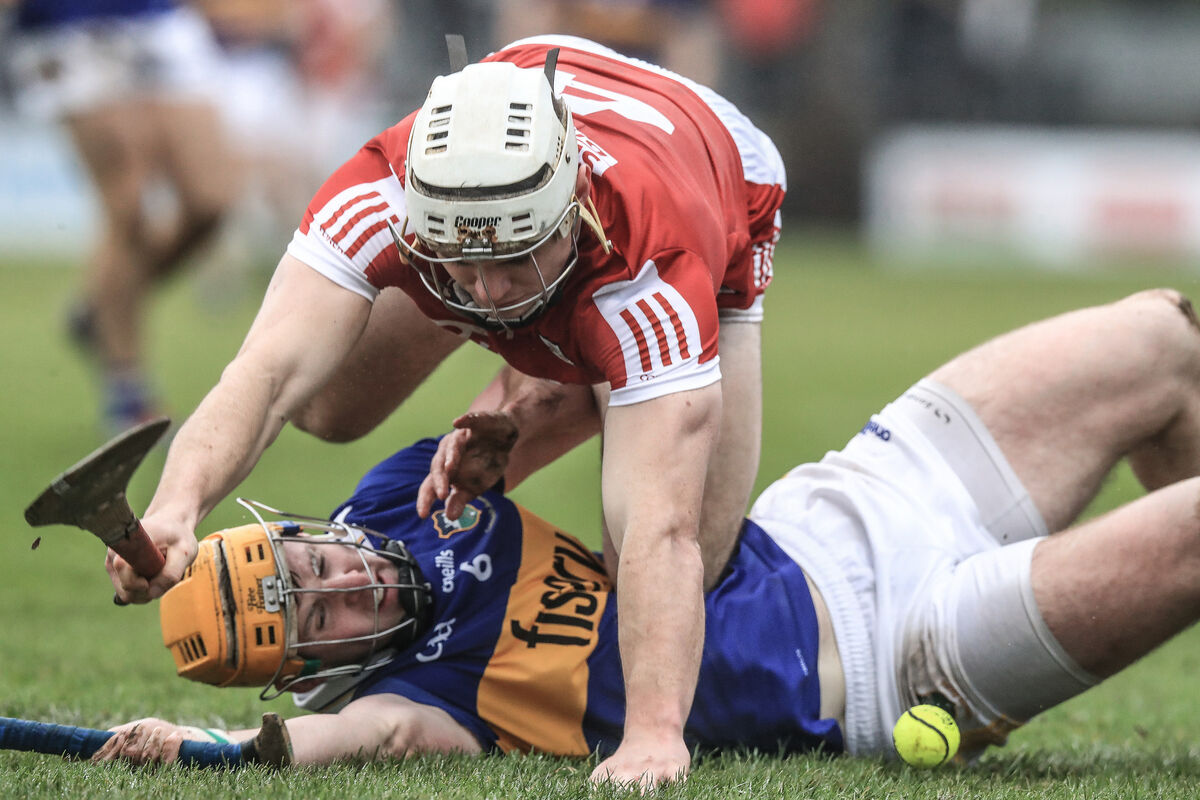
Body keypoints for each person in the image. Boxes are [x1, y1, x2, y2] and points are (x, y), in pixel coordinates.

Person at [94, 289, 1200, 782]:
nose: (340, 581)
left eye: (305, 565)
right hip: (895, 663)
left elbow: (559, 401)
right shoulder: (410, 700)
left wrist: (511, 415)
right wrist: (216, 751)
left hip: (840, 511)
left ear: (291, 530)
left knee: (1165, 340)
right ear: (314, 668)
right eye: (316, 617)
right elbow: (353, 745)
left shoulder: (388, 503)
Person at [104, 34, 786, 785]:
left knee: (668, 559)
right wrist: (176, 506)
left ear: (573, 213)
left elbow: (665, 529)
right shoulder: (379, 194)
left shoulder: (651, 265)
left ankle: (602, 382)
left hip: (719, 167)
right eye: (461, 259)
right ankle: (572, 379)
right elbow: (265, 372)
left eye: (513, 258)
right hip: (527, 91)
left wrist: (653, 737)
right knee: (328, 405)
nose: (490, 295)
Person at [3, 0, 235, 433]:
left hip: (156, 19)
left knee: (211, 199)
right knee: (128, 206)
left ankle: (99, 306)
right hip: (63, 30)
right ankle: (129, 393)